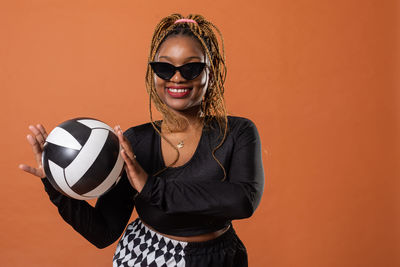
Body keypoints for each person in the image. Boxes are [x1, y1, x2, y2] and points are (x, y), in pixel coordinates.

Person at [19, 13, 265, 267]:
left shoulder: (237, 132)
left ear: (210, 73)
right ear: (153, 74)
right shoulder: (135, 141)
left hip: (219, 258)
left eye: (191, 68)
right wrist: (56, 183)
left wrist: (150, 187)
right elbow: (103, 232)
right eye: (165, 68)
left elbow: (242, 200)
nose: (177, 78)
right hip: (145, 255)